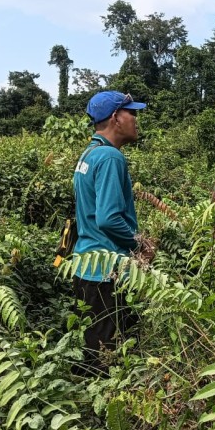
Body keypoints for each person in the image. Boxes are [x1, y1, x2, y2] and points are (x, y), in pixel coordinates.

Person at [71, 90, 148, 373]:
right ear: (116, 117)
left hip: (86, 268)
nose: (136, 120)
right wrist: (139, 244)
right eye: (132, 113)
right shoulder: (110, 157)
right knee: (107, 363)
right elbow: (108, 219)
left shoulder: (89, 153)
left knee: (94, 351)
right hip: (106, 273)